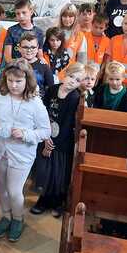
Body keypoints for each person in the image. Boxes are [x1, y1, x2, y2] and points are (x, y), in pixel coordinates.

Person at [0, 59, 50, 242]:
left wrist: (25, 134)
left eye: (18, 81)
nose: (13, 85)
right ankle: (6, 216)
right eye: (10, 80)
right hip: (0, 149)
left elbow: (45, 131)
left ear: (27, 80)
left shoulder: (35, 103)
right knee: (2, 187)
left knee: (14, 190)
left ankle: (18, 219)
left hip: (21, 153)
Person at [32, 62, 85, 217]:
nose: (72, 81)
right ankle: (44, 199)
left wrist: (51, 145)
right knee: (45, 172)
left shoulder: (74, 97)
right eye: (71, 76)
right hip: (46, 136)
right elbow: (42, 112)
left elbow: (67, 125)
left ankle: (58, 201)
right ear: (65, 74)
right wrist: (45, 138)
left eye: (77, 80)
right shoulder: (53, 89)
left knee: (58, 174)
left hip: (61, 142)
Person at [18, 32, 54, 98]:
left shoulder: (44, 67)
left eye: (33, 47)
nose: (29, 50)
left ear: (38, 48)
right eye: (25, 47)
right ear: (19, 48)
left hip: (38, 100)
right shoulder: (13, 65)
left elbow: (51, 89)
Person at [58, 4, 87, 76]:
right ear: (61, 17)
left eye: (70, 16)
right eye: (64, 16)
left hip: (71, 74)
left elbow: (82, 60)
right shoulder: (55, 32)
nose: (67, 19)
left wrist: (79, 75)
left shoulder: (80, 35)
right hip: (54, 73)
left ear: (75, 17)